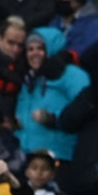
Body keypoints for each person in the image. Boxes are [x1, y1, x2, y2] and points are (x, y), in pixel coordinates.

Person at [14, 28, 90, 159]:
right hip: (27, 155)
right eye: (30, 49)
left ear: (52, 48)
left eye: (40, 48)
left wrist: (53, 118)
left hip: (58, 155)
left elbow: (86, 107)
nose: (34, 53)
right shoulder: (30, 78)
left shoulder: (72, 74)